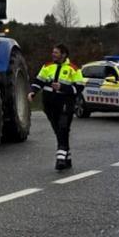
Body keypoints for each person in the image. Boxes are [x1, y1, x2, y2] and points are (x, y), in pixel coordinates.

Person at [29, 43, 85, 172]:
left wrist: (63, 88)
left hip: (66, 103)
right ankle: (67, 156)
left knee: (63, 127)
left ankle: (60, 158)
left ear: (64, 54)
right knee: (58, 130)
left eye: (56, 52)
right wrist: (32, 91)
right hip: (49, 104)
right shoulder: (47, 66)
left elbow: (79, 87)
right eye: (53, 52)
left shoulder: (74, 69)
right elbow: (39, 81)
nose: (53, 54)